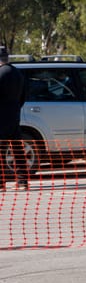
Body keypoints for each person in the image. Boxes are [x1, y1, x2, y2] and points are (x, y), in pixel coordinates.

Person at [0, 46, 29, 190]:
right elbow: (23, 97)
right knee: (18, 150)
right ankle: (22, 181)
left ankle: (1, 183)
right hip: (14, 117)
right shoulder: (18, 73)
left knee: (0, 151)